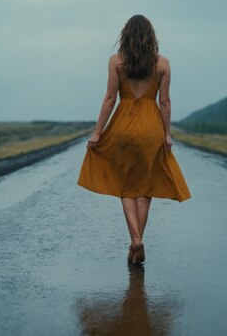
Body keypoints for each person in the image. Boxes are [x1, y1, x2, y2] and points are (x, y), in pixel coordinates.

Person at [77, 14, 191, 265]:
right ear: (151, 37)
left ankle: (136, 241)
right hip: (151, 127)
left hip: (123, 126)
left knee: (125, 185)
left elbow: (109, 99)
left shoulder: (116, 62)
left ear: (125, 36)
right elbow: (165, 102)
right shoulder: (163, 64)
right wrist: (167, 133)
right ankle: (137, 241)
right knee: (145, 186)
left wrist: (97, 132)